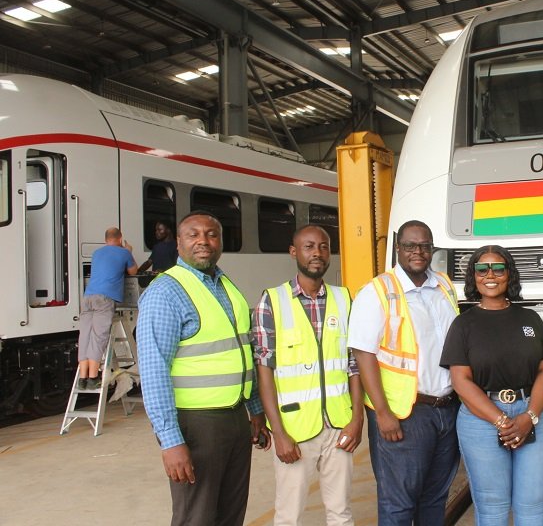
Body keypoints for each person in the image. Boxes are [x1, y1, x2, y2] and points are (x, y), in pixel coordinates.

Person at [137, 211, 270, 526]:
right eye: (193, 235)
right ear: (179, 242)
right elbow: (154, 370)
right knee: (196, 516)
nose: (203, 241)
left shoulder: (224, 284)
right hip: (196, 425)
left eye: (211, 234)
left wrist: (254, 409)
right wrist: (170, 441)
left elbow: (243, 351)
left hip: (235, 418)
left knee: (230, 514)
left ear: (220, 241)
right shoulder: (165, 291)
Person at [348, 220, 460, 525]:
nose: (418, 252)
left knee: (435, 499)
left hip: (446, 409)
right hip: (405, 414)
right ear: (398, 248)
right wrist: (383, 413)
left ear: (432, 248)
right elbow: (362, 354)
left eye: (425, 245)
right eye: (410, 245)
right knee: (398, 504)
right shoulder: (377, 292)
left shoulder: (444, 286)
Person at [253, 225, 364, 526]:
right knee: (289, 516)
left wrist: (356, 420)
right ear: (294, 252)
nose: (317, 252)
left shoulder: (344, 299)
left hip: (339, 425)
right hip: (295, 429)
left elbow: (353, 363)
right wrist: (278, 432)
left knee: (341, 513)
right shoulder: (272, 301)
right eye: (309, 246)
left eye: (324, 246)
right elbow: (265, 370)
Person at [441, 246, 543, 525]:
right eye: (482, 269)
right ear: (474, 276)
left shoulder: (529, 319)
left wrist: (529, 416)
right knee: (492, 507)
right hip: (481, 420)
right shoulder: (463, 324)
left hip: (534, 414)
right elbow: (461, 381)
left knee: (533, 506)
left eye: (498, 268)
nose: (490, 275)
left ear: (510, 274)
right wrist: (502, 420)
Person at [77, 226, 137, 389]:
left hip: (88, 297)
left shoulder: (97, 253)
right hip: (105, 299)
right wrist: (129, 251)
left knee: (85, 335)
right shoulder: (124, 252)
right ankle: (93, 377)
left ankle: (82, 378)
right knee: (98, 336)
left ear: (105, 240)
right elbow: (133, 271)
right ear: (119, 238)